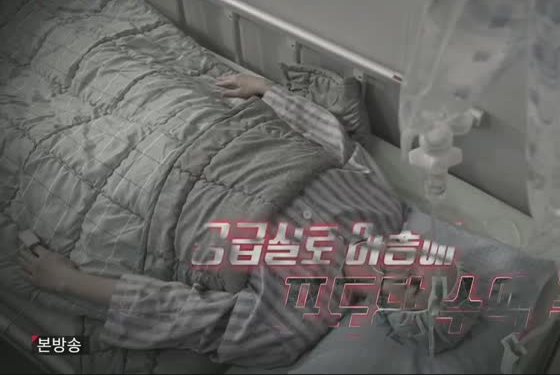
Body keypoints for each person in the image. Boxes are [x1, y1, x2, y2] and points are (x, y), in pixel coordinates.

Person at [17, 73, 455, 367]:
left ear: (389, 310)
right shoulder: (384, 207)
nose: (410, 265)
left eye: (415, 287)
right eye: (427, 260)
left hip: (161, 190)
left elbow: (186, 315)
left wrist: (69, 283)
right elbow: (337, 146)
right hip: (220, 130)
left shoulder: (295, 321)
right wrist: (269, 91)